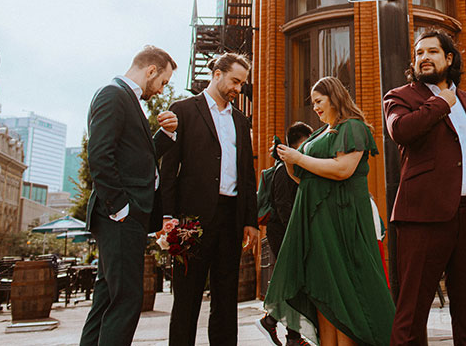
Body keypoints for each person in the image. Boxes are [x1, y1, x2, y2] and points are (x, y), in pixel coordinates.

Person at [265, 76, 395, 346]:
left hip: (342, 219)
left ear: (334, 97)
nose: (315, 107)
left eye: (319, 101)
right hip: (317, 223)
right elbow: (303, 177)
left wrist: (298, 157)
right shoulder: (319, 133)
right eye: (312, 103)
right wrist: (288, 159)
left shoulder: (353, 127)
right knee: (323, 293)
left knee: (347, 292)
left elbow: (342, 169)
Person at [383, 29, 466, 346]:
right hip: (423, 217)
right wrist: (440, 104)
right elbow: (401, 131)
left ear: (449, 58)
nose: (424, 57)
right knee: (412, 314)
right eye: (419, 53)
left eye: (432, 51)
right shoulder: (401, 96)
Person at [156, 53, 258, 346]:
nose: (238, 88)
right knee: (187, 298)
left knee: (226, 299)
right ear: (217, 74)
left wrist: (250, 220)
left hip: (231, 219)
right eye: (235, 81)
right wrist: (167, 216)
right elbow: (169, 170)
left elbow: (247, 174)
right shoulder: (184, 110)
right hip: (190, 221)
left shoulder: (240, 120)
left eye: (242, 83)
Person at [80, 46, 178, 346]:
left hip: (123, 215)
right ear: (151, 71)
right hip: (120, 215)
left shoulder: (125, 98)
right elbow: (100, 155)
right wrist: (120, 208)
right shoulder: (113, 94)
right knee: (127, 300)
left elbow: (134, 157)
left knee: (108, 298)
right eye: (162, 81)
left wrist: (167, 136)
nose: (160, 89)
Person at [257, 121, 314, 346]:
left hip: (290, 231)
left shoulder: (298, 167)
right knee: (292, 281)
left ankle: (285, 331)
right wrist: (299, 233)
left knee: (294, 282)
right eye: (306, 143)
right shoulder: (283, 169)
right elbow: (283, 207)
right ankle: (278, 326)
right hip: (284, 233)